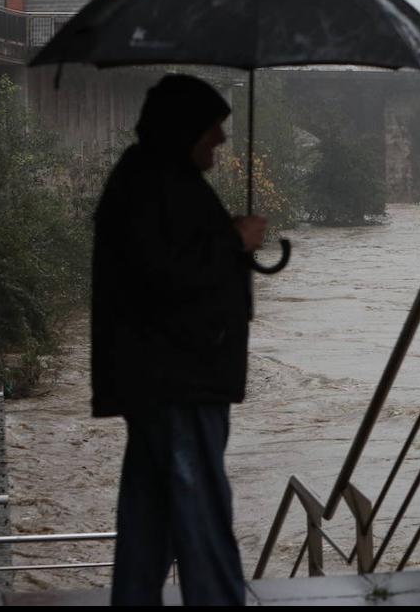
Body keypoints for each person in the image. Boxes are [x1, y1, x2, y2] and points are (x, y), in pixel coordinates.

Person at [91, 74, 266, 606]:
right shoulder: (154, 183)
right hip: (178, 377)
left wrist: (225, 237)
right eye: (213, 126)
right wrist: (234, 238)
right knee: (201, 507)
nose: (221, 138)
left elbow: (171, 258)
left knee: (151, 511)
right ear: (184, 128)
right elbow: (162, 273)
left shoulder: (153, 177)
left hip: (163, 374)